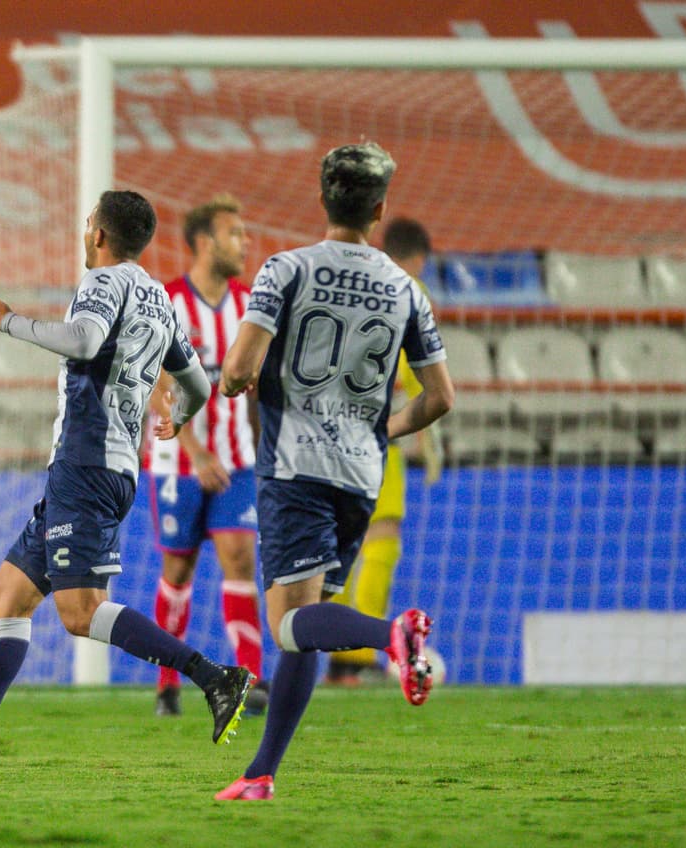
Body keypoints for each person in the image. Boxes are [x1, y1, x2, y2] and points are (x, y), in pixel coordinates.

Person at [0, 190, 254, 768]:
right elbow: (199, 386)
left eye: (88, 224)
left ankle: (213, 676)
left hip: (87, 463)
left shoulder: (104, 282)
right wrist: (176, 420)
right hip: (104, 468)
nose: (85, 233)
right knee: (8, 597)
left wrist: (5, 319)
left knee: (81, 613)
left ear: (101, 236)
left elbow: (84, 340)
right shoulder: (161, 300)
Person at [213, 142, 455, 801]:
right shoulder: (406, 288)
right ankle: (262, 772)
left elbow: (236, 370)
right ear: (380, 209)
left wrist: (241, 384)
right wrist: (384, 429)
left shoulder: (285, 269)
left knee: (290, 623)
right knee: (307, 621)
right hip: (362, 475)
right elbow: (439, 397)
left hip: (296, 467)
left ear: (323, 199)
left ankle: (392, 635)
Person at [144, 194, 269, 718]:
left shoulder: (249, 305)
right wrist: (194, 450)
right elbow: (155, 381)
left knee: (240, 557)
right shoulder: (168, 301)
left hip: (237, 458)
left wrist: (264, 451)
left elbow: (258, 389)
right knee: (178, 568)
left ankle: (253, 678)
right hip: (179, 462)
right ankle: (167, 683)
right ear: (202, 242)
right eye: (233, 233)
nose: (244, 243)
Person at [325, 216, 444, 686]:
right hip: (376, 433)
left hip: (327, 434)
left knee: (338, 549)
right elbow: (424, 378)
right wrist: (428, 439)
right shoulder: (410, 290)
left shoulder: (351, 284)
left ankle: (335, 656)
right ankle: (357, 661)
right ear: (420, 258)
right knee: (382, 539)